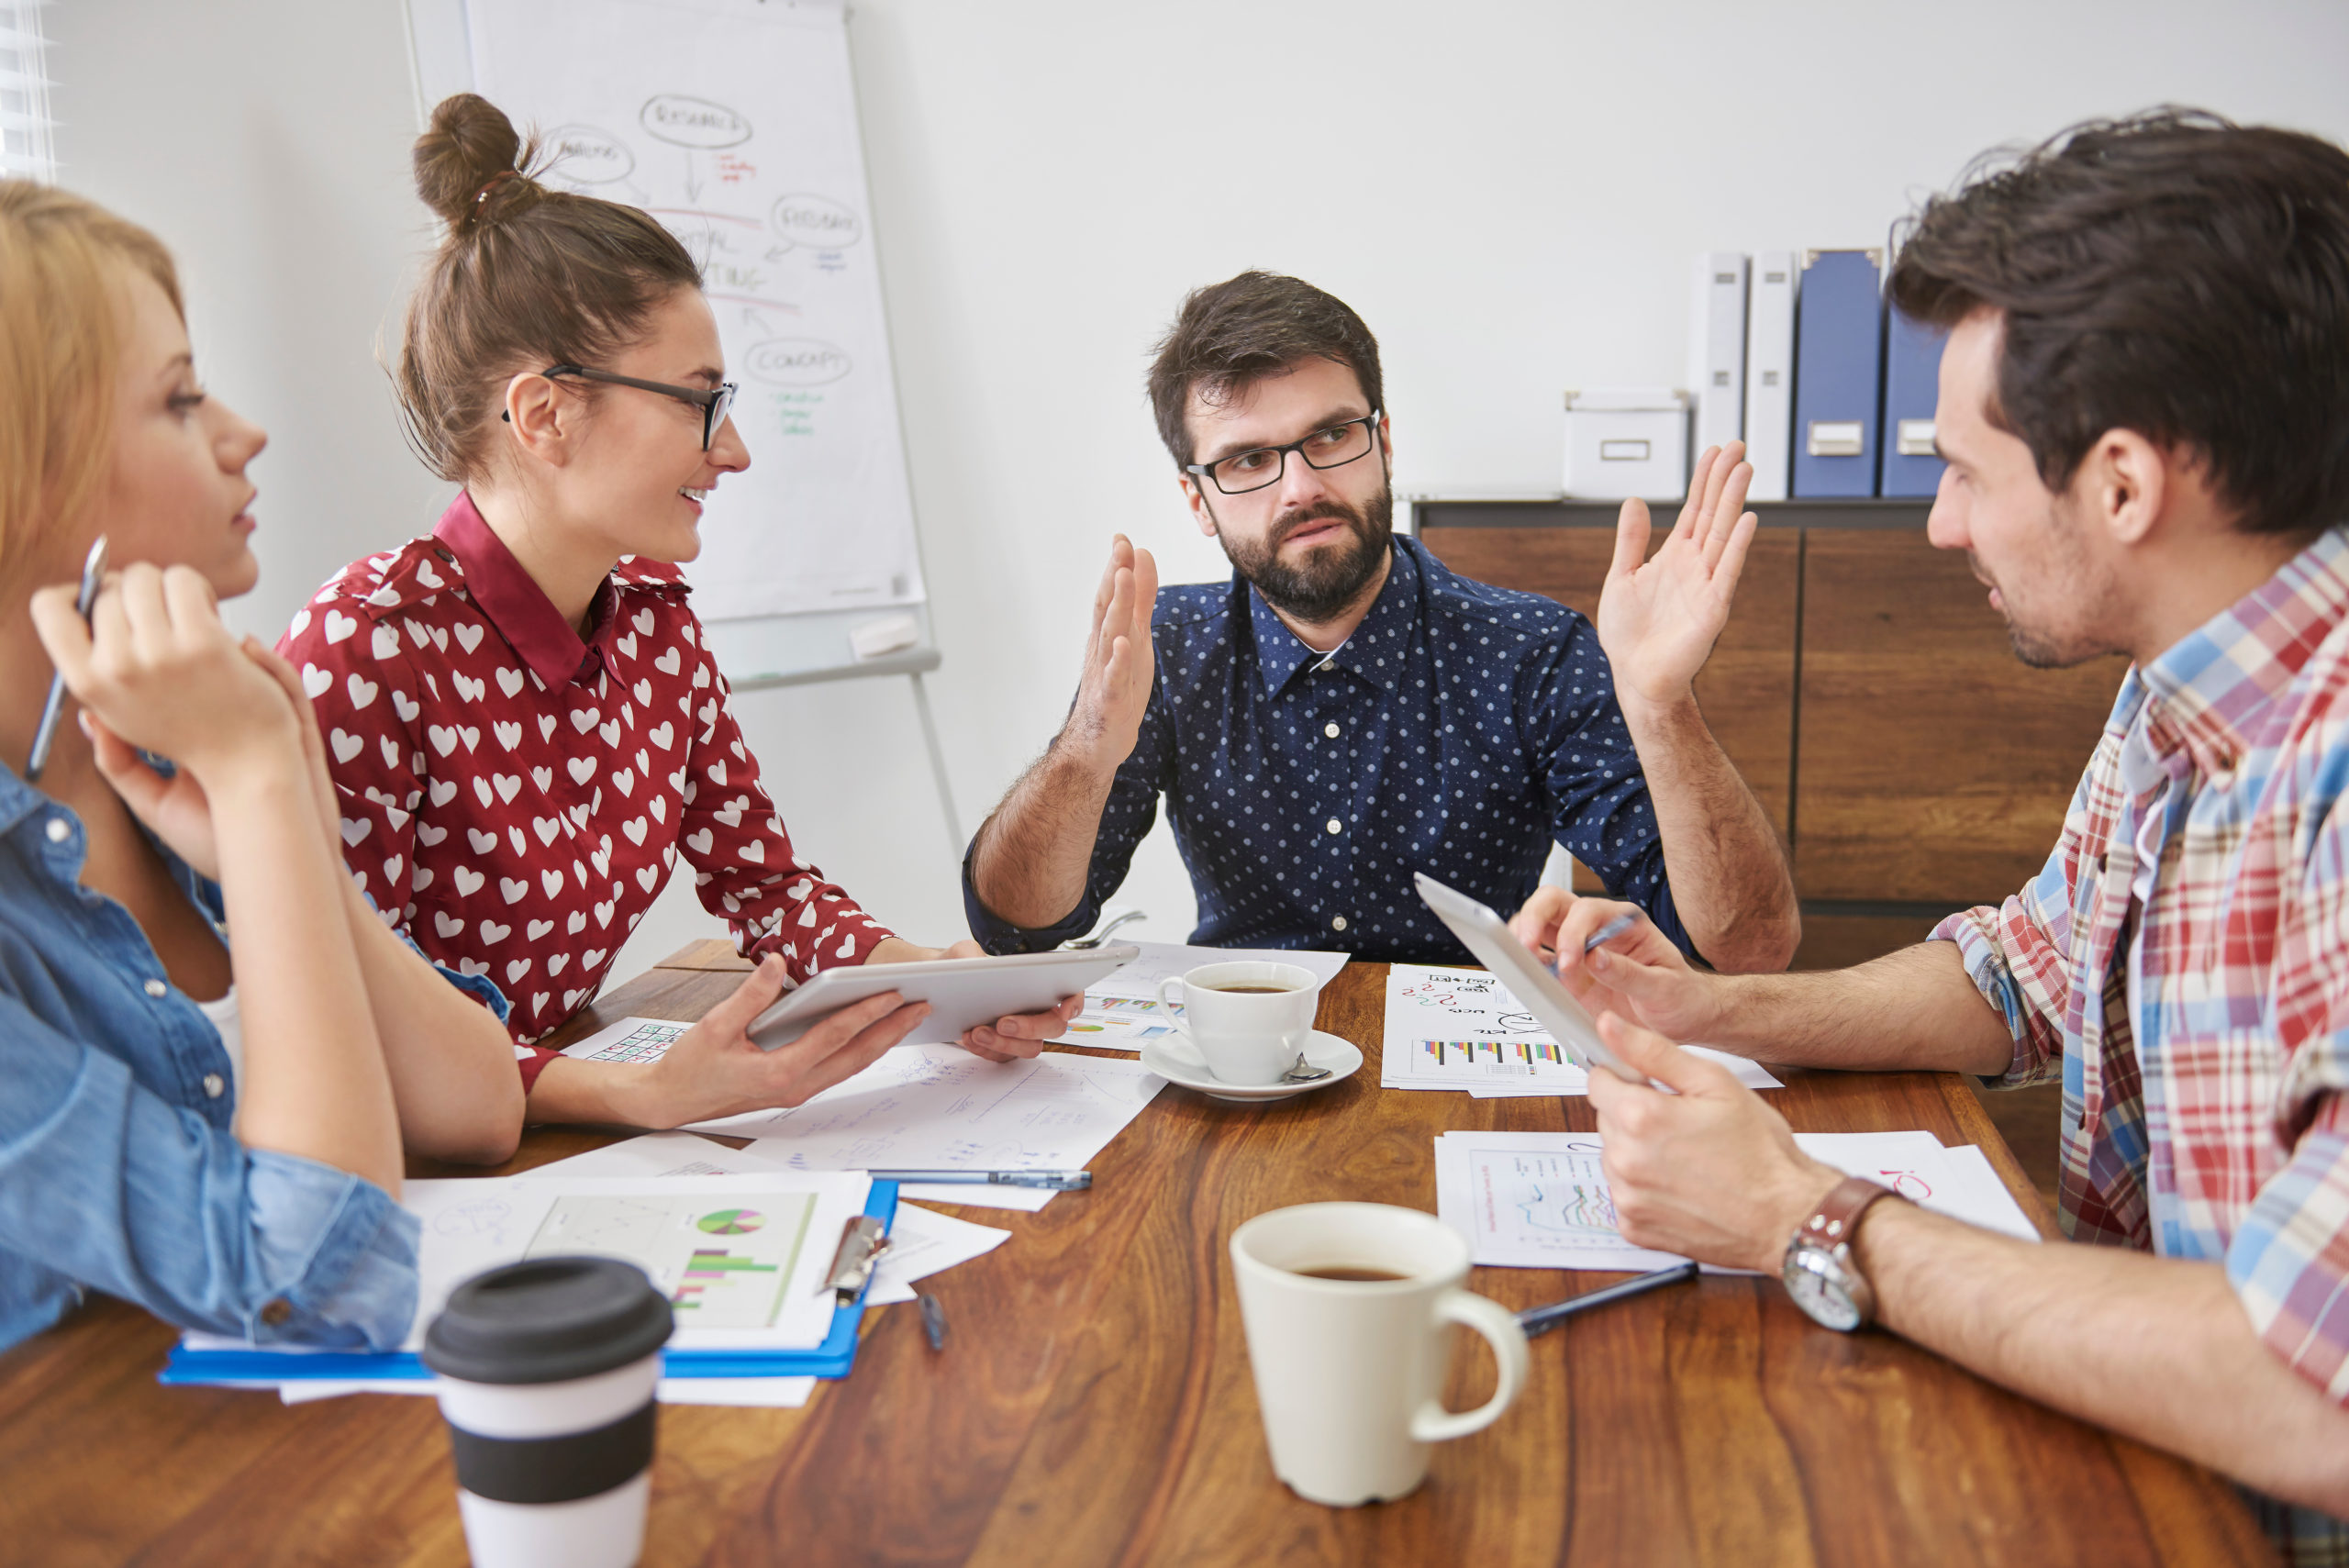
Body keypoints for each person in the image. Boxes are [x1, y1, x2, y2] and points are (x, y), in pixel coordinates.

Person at [1521, 113, 2349, 1561]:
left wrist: (1801, 1212)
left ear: (2124, 484)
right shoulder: (2182, 687)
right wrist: (1704, 1005)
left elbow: (2314, 1389)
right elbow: (2028, 970)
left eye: (1966, 471)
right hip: (2149, 1449)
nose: (1939, 528)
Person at [284, 95, 1077, 1133]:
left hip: (562, 1119)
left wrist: (938, 983)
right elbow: (354, 1027)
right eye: (699, 398)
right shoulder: (365, 644)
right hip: (419, 1160)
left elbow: (765, 886)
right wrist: (637, 1093)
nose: (734, 447)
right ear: (545, 413)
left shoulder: (653, 623)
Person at [0, 182, 527, 1354]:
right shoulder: (209, 757)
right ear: (21, 478)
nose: (245, 431)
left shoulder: (161, 757)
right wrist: (253, 784)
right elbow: (322, 1286)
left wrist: (273, 820)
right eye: (183, 400)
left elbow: (475, 1109)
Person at [963, 272, 1799, 973]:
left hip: (1468, 1085)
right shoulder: (1166, 649)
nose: (1298, 488)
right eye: (1249, 460)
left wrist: (1661, 704)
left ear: (1384, 444)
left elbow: (1746, 951)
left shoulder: (1532, 652)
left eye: (1330, 436)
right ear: (1198, 499)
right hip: (1238, 1071)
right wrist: (1084, 749)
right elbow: (1016, 928)